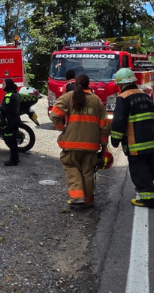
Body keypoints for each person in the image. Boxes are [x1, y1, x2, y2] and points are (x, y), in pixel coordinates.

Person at [49, 74, 110, 209]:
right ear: (89, 84)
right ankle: (88, 200)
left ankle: (77, 197)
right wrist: (104, 145)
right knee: (88, 172)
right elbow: (104, 125)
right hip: (92, 144)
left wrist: (62, 128)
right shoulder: (96, 100)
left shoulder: (67, 97)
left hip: (71, 144)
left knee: (71, 168)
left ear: (76, 84)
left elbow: (54, 115)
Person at [110, 68, 154, 209]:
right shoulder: (145, 96)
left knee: (139, 170)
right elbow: (153, 118)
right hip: (151, 142)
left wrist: (115, 140)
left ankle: (147, 199)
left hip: (135, 143)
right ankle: (145, 192)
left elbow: (119, 121)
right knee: (148, 170)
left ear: (120, 84)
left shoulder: (123, 98)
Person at [0, 79, 21, 166]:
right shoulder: (16, 94)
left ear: (8, 85)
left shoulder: (9, 96)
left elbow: (6, 109)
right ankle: (16, 158)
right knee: (13, 140)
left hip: (10, 121)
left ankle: (13, 160)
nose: (2, 86)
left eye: (4, 84)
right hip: (16, 119)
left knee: (9, 140)